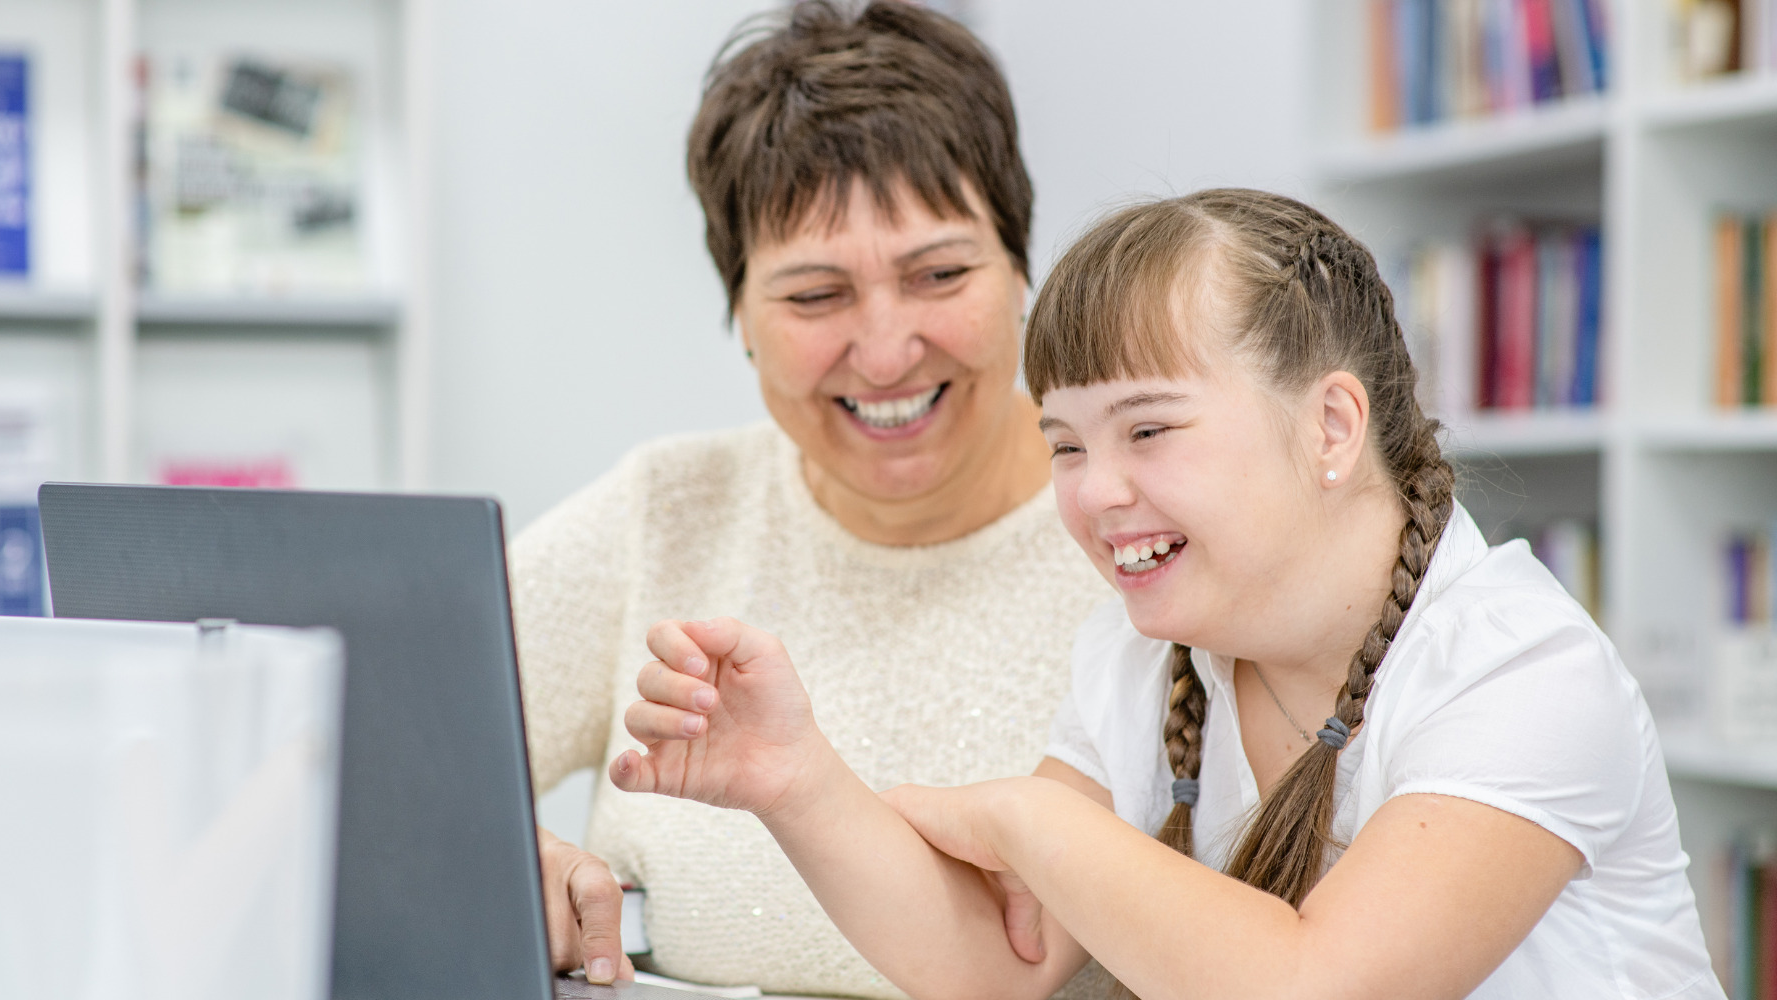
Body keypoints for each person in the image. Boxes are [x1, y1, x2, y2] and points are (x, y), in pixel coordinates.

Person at [613, 189, 1723, 999]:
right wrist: (794, 779)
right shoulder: (1142, 659)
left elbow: (1314, 987)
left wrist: (1029, 817)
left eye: (1149, 430)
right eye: (1064, 445)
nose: (1097, 493)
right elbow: (1002, 959)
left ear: (1331, 426)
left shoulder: (1521, 671)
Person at [512, 3, 1110, 996]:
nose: (884, 351)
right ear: (739, 317)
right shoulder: (664, 511)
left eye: (940, 273)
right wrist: (495, 854)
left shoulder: (1147, 531)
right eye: (814, 296)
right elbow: (350, 752)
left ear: (1020, 271)